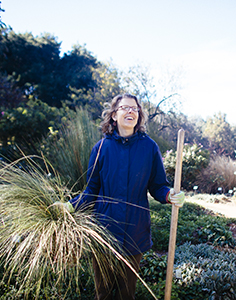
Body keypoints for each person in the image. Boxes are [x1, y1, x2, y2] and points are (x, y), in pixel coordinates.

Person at [62, 93, 185, 300]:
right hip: (104, 232)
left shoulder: (149, 148)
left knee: (126, 294)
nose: (131, 112)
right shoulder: (101, 148)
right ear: (113, 115)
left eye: (135, 109)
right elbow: (91, 190)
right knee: (103, 294)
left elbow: (157, 186)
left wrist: (169, 195)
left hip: (134, 232)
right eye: (125, 108)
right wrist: (70, 206)